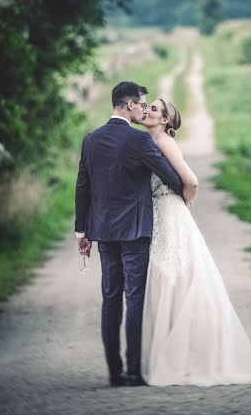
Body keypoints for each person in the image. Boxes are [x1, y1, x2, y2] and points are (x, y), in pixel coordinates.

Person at [140, 98, 251, 386]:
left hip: (170, 214)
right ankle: (173, 354)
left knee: (174, 280)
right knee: (166, 282)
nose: (147, 111)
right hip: (160, 212)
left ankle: (182, 357)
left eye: (154, 109)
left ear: (166, 120)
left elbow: (191, 181)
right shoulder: (150, 142)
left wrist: (185, 201)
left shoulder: (165, 143)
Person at [74, 81, 184, 387]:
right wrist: (183, 199)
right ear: (129, 105)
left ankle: (113, 372)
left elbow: (82, 185)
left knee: (110, 299)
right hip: (135, 231)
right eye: (142, 103)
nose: (144, 109)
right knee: (134, 298)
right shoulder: (139, 141)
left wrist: (81, 231)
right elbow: (171, 177)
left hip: (103, 232)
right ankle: (133, 371)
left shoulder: (91, 139)